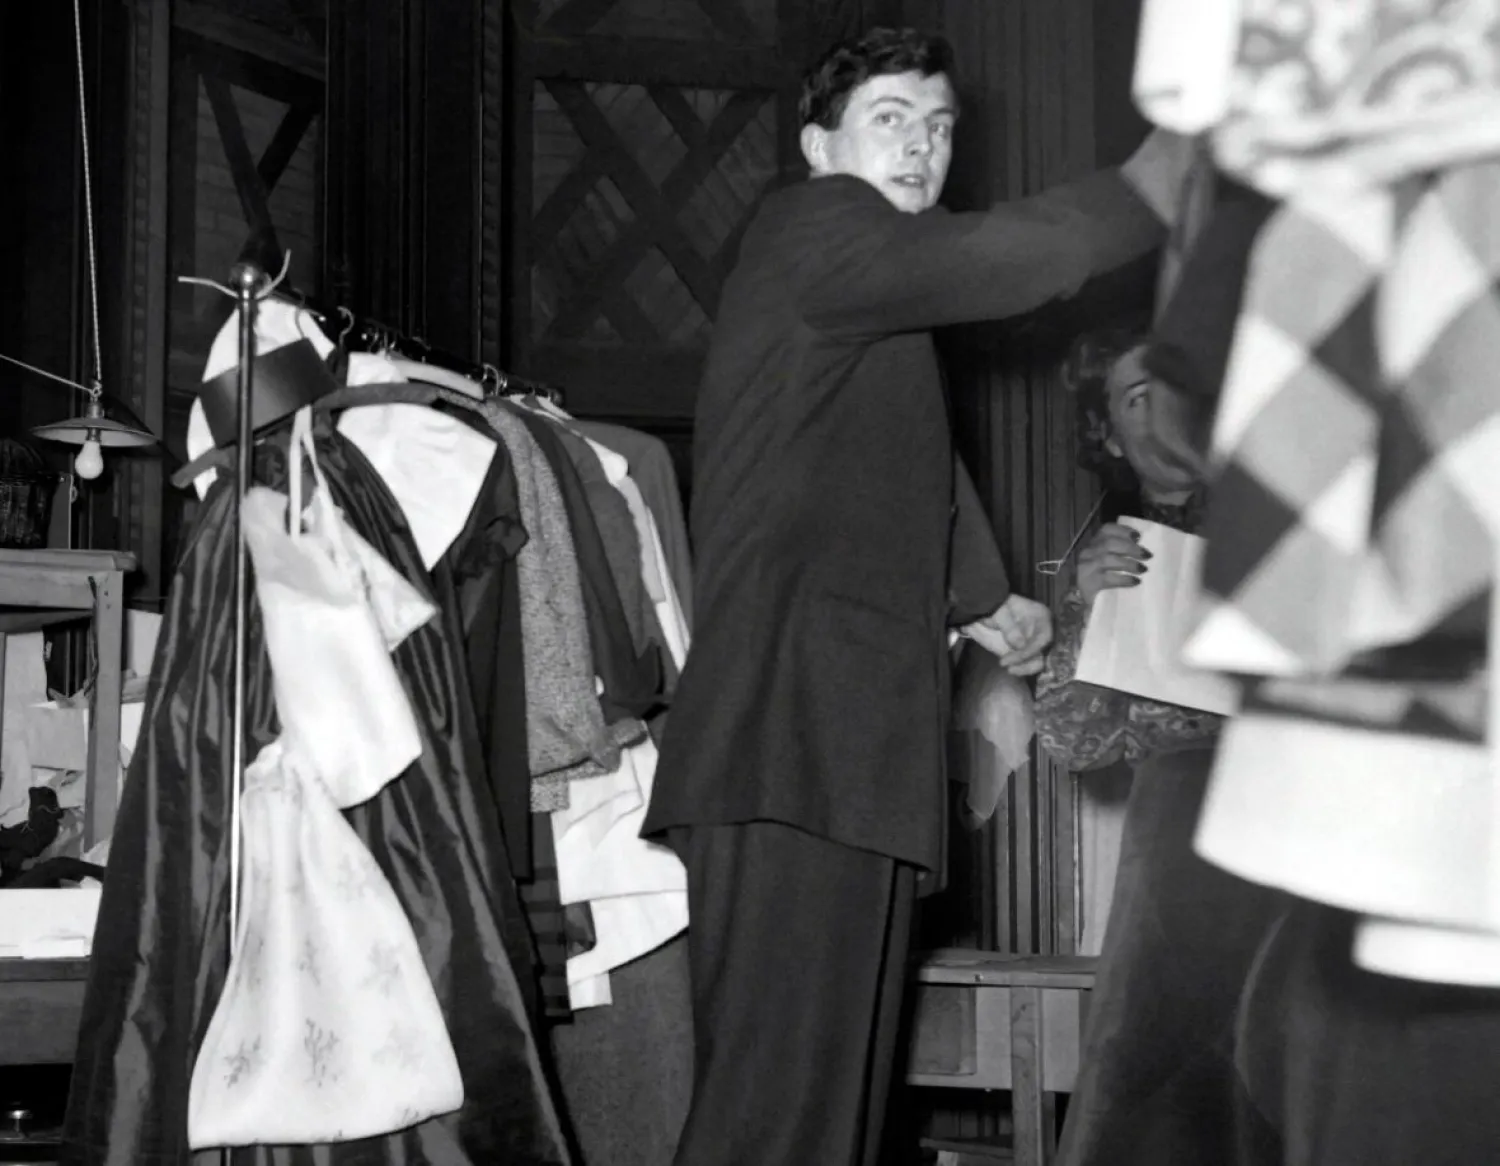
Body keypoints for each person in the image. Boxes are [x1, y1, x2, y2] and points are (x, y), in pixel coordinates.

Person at [641, 27, 1182, 1166]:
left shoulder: (866, 304)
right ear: (816, 144)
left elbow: (885, 467)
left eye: (939, 129)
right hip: (796, 746)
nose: (923, 147)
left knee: (824, 1119)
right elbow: (996, 261)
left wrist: (986, 598)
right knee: (776, 1121)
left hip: (844, 756)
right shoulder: (814, 223)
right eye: (891, 117)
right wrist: (1148, 187)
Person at [1035, 332, 1286, 1166]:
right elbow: (1074, 742)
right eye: (1140, 396)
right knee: (1156, 1093)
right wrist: (1082, 607)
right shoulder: (1107, 559)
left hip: (1300, 852)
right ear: (1106, 436)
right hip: (1178, 866)